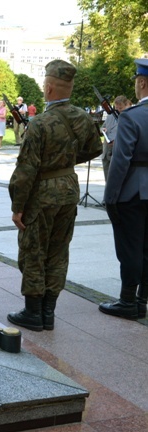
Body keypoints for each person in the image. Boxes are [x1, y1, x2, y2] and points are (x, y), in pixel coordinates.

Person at [7, 59, 101, 332]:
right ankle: (49, 313)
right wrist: (66, 161)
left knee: (34, 251)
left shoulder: (39, 124)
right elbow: (95, 148)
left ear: (48, 88)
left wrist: (18, 206)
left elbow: (26, 170)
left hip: (42, 194)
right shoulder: (82, 117)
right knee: (59, 251)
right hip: (69, 189)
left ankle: (33, 313)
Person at [99, 59, 148, 320]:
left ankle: (128, 300)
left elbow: (120, 161)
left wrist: (110, 197)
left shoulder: (132, 116)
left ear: (141, 83)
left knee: (130, 247)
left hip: (132, 192)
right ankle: (142, 301)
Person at [101, 96, 132, 182]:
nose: (117, 110)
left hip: (117, 154)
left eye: (120, 108)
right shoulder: (110, 116)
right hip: (106, 152)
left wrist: (118, 142)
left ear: (126, 105)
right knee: (107, 181)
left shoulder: (129, 118)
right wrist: (102, 130)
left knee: (116, 182)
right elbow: (102, 127)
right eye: (116, 107)